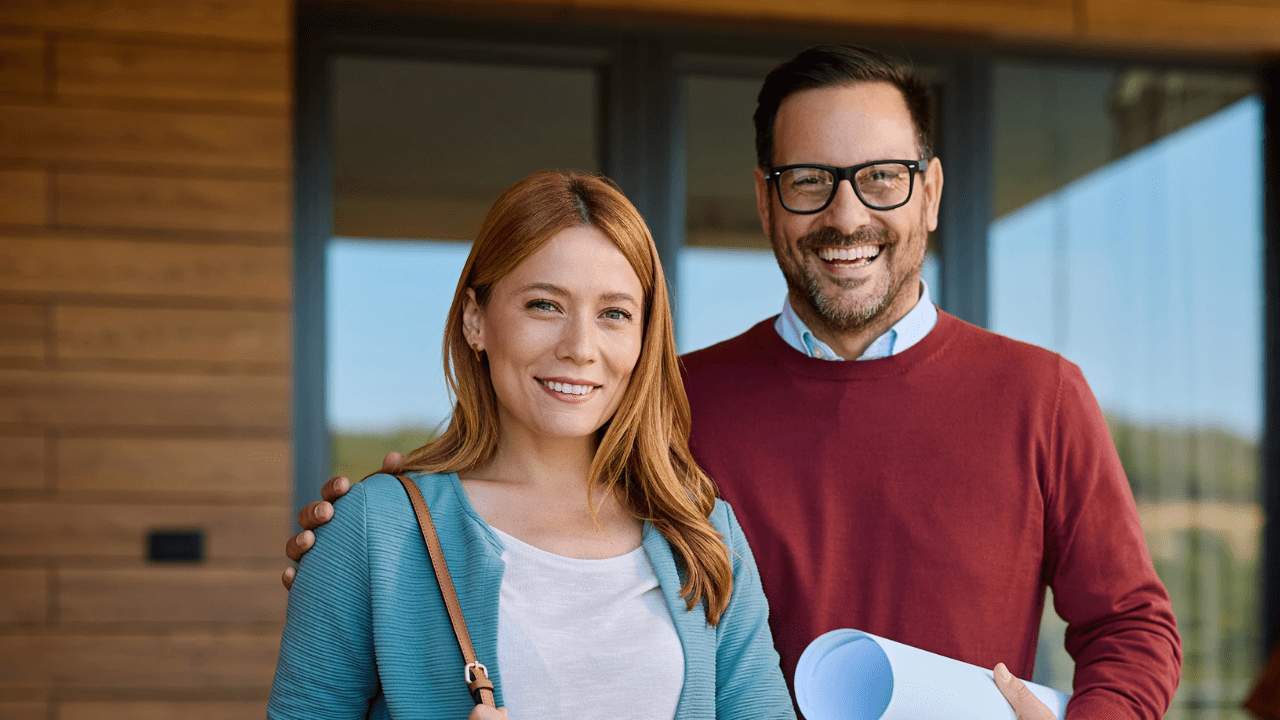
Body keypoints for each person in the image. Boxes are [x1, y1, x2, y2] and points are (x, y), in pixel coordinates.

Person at [287, 46, 1182, 720]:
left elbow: (1132, 627)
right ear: (764, 198)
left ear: (931, 192)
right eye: (808, 181)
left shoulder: (1043, 395)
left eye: (880, 179)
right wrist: (364, 551)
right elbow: (504, 503)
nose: (845, 214)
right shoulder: (665, 401)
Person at [269, 170, 795, 720]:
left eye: (614, 313)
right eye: (545, 305)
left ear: (644, 338)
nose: (580, 348)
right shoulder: (374, 530)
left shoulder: (705, 534)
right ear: (476, 320)